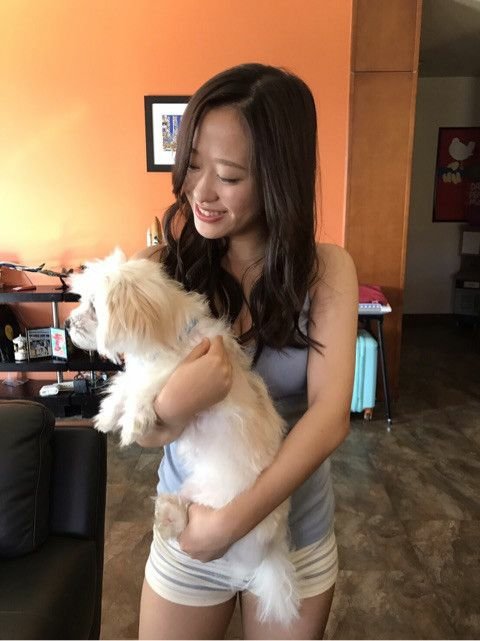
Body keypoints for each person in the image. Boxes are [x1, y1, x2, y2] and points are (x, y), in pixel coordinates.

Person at [135, 62, 358, 640]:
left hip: (290, 538)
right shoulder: (161, 271)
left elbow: (329, 416)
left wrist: (227, 525)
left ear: (278, 179)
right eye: (193, 164)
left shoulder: (326, 271)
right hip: (187, 525)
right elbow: (145, 429)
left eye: (229, 175)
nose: (201, 191)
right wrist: (175, 404)